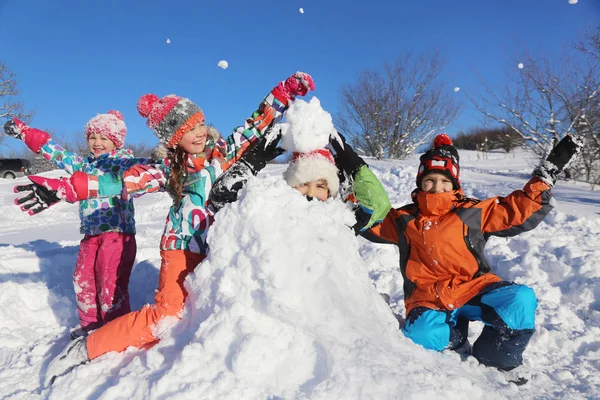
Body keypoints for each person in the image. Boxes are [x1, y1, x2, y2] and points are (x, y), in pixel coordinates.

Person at [21, 72, 314, 386]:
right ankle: (87, 347)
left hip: (218, 247)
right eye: (188, 130)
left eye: (199, 124)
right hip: (180, 248)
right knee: (167, 316)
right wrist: (70, 187)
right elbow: (120, 182)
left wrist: (284, 92)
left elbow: (255, 124)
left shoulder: (223, 154)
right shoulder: (169, 170)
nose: (199, 134)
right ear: (174, 139)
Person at [360, 133, 583, 384]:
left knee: (520, 299)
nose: (436, 187)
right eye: (430, 180)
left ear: (454, 182)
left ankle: (497, 358)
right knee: (420, 336)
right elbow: (370, 220)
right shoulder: (403, 219)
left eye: (444, 181)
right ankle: (455, 338)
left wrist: (545, 176)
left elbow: (516, 210)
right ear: (420, 182)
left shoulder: (472, 212)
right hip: (430, 297)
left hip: (473, 288)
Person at [4, 111, 149, 337]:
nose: (97, 143)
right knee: (83, 281)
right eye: (92, 137)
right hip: (90, 236)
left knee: (110, 283)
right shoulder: (83, 165)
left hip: (118, 236)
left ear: (116, 140)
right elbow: (56, 153)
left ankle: (115, 331)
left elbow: (150, 172)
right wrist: (24, 133)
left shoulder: (125, 163)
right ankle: (91, 326)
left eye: (103, 138)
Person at [209, 129, 392, 234]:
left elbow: (377, 205)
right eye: (303, 183)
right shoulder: (273, 210)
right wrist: (255, 159)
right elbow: (222, 195)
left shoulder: (338, 221)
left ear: (330, 191)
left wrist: (353, 163)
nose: (311, 194)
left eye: (320, 186)